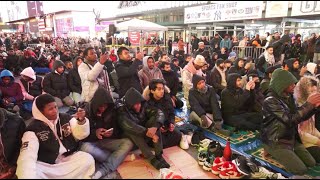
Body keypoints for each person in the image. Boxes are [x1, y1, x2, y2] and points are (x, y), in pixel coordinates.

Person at [16, 94, 95, 179]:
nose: (55, 111)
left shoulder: (65, 118)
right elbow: (27, 156)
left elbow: (80, 135)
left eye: (55, 107)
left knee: (87, 159)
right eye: (50, 109)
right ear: (41, 112)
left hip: (68, 159)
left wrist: (81, 121)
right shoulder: (32, 130)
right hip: (49, 166)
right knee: (34, 172)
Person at [261, 69, 320, 175]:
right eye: (291, 84)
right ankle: (270, 150)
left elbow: (299, 116)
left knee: (311, 163)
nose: (294, 86)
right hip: (276, 141)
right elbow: (289, 120)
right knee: (300, 170)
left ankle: (287, 154)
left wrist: (314, 108)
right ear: (282, 84)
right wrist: (309, 104)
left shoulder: (287, 97)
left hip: (290, 138)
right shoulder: (270, 101)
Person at [81, 87, 133, 179]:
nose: (103, 109)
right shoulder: (87, 111)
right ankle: (118, 159)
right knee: (85, 148)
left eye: (105, 106)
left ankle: (103, 170)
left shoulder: (111, 110)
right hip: (92, 142)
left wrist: (111, 133)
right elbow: (82, 136)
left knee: (128, 143)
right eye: (100, 106)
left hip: (107, 141)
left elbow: (118, 131)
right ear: (96, 104)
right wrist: (95, 133)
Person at [117, 88, 170, 170]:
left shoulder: (143, 104)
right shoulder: (122, 110)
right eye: (135, 104)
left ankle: (159, 155)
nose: (139, 106)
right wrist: (147, 132)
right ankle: (150, 157)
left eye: (139, 103)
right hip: (130, 137)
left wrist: (155, 127)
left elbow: (158, 113)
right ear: (130, 105)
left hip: (143, 131)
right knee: (134, 132)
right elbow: (130, 126)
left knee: (155, 125)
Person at [142, 79, 182, 149]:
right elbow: (146, 121)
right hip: (156, 129)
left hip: (167, 126)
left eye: (163, 89)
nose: (162, 91)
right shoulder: (147, 104)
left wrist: (171, 123)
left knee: (178, 135)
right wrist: (158, 127)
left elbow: (171, 113)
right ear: (152, 91)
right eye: (159, 89)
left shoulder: (167, 99)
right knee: (157, 141)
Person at [295, 76, 320, 163]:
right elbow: (301, 134)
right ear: (304, 92)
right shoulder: (300, 108)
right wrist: (317, 141)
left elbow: (312, 128)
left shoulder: (312, 106)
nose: (315, 94)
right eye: (312, 92)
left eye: (315, 91)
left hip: (311, 139)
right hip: (303, 142)